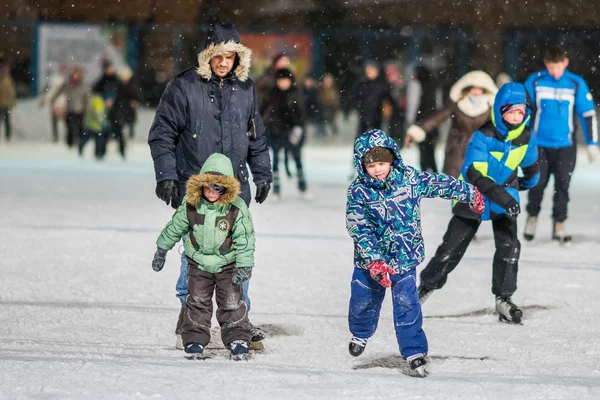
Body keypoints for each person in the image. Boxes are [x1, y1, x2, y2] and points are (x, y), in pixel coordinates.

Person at [148, 22, 272, 351]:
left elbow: (255, 137)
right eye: (218, 55)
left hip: (233, 193)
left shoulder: (245, 89)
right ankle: (189, 317)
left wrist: (263, 173)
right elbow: (162, 133)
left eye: (230, 56)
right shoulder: (184, 86)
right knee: (196, 257)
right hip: (196, 190)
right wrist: (166, 175)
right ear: (208, 54)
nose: (223, 61)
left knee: (236, 255)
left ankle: (238, 321)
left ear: (237, 58)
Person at [345, 128, 484, 377]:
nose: (377, 169)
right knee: (362, 300)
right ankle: (361, 332)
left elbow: (438, 184)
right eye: (371, 165)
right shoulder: (358, 192)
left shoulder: (408, 179)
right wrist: (374, 259)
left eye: (382, 163)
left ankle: (414, 352)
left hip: (404, 257)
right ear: (361, 165)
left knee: (407, 305)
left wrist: (469, 192)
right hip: (370, 262)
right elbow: (358, 227)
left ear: (392, 159)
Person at [418, 83, 540, 325]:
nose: (516, 117)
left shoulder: (526, 136)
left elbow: (532, 165)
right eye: (511, 112)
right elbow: (475, 174)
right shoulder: (483, 136)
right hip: (473, 197)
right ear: (499, 111)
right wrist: (505, 197)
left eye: (521, 112)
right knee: (452, 248)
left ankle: (504, 298)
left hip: (504, 198)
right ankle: (423, 289)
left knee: (510, 248)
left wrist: (527, 182)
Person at [151, 153, 255, 360]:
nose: (212, 191)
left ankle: (237, 338)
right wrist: (162, 249)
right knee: (197, 301)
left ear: (226, 188)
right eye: (208, 186)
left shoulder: (236, 209)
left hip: (228, 265)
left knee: (232, 302)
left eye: (218, 187)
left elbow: (245, 239)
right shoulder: (191, 204)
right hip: (198, 264)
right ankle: (195, 339)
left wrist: (244, 266)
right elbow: (175, 227)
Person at [523, 46, 599, 243]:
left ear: (565, 63)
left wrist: (592, 143)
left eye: (557, 67)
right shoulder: (536, 81)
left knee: (563, 186)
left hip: (565, 146)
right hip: (539, 145)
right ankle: (532, 217)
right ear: (545, 64)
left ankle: (559, 223)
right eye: (550, 67)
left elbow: (587, 114)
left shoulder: (575, 83)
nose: (554, 71)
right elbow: (523, 111)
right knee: (537, 184)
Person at [405, 70, 497, 178]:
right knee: (455, 185)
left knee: (478, 184)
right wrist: (418, 131)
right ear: (468, 88)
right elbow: (437, 117)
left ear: (485, 90)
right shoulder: (457, 104)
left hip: (480, 149)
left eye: (479, 89)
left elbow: (499, 126)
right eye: (473, 88)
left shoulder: (490, 108)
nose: (476, 92)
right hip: (456, 149)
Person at [260, 68, 308, 200]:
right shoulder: (272, 93)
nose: (283, 83)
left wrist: (298, 128)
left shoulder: (295, 93)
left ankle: (302, 186)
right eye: (280, 81)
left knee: (297, 159)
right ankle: (276, 189)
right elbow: (262, 110)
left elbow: (300, 114)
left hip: (292, 130)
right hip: (275, 131)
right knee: (275, 160)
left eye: (285, 80)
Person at [405, 65, 440, 172]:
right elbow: (438, 103)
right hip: (432, 120)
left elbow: (413, 103)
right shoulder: (434, 84)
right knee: (430, 149)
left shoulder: (415, 84)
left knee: (423, 149)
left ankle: (424, 172)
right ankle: (434, 172)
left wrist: (410, 120)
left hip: (420, 120)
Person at [46, 67, 90, 148]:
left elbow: (87, 98)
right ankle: (69, 145)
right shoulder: (67, 84)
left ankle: (80, 144)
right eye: (74, 74)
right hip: (70, 109)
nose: (75, 76)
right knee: (70, 127)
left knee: (80, 127)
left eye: (77, 74)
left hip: (80, 110)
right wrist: (52, 99)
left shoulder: (84, 85)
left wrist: (86, 109)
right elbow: (59, 91)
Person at [352, 61, 396, 137]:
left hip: (377, 115)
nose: (369, 73)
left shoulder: (382, 84)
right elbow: (356, 97)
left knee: (377, 137)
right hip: (364, 115)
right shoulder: (362, 84)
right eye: (368, 70)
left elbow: (389, 99)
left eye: (371, 70)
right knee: (361, 137)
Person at [80, 92, 110, 159]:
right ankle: (98, 154)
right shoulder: (99, 101)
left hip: (90, 124)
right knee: (99, 140)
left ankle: (80, 148)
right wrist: (103, 123)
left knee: (86, 138)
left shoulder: (94, 99)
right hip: (95, 125)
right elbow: (98, 113)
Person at [0, 60, 16, 142]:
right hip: (3, 103)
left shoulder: (8, 80)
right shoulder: (6, 80)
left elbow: (12, 92)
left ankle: (7, 137)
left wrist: (13, 102)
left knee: (7, 121)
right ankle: (7, 136)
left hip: (5, 104)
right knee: (5, 121)